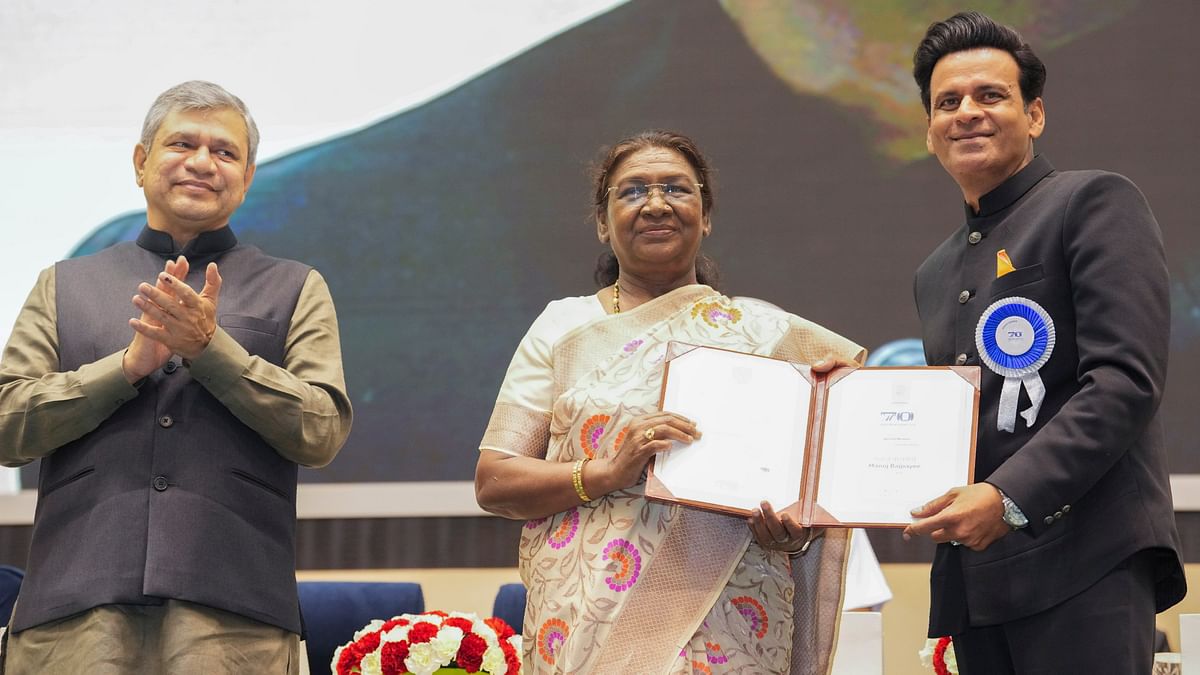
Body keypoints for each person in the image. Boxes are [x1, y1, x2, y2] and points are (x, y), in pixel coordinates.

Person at [475, 130, 864, 674]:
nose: (656, 203)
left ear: (705, 216)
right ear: (602, 221)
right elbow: (496, 482)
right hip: (589, 628)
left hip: (733, 626)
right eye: (632, 191)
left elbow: (811, 493)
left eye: (676, 189)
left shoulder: (770, 339)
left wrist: (794, 534)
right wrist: (606, 471)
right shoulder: (564, 328)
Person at [0, 81, 353, 674]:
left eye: (224, 152)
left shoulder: (296, 287)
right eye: (181, 143)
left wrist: (211, 350)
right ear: (141, 162)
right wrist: (125, 368)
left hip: (234, 613)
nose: (200, 162)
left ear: (247, 175)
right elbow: (6, 427)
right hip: (74, 609)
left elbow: (320, 431)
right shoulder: (63, 284)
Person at [903, 12, 1185, 673]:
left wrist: (1006, 497)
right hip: (979, 585)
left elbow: (1124, 381)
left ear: (1034, 116)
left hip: (1088, 562)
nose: (967, 112)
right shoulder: (934, 271)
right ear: (930, 131)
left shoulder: (1093, 202)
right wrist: (841, 400)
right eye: (949, 102)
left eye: (990, 95)